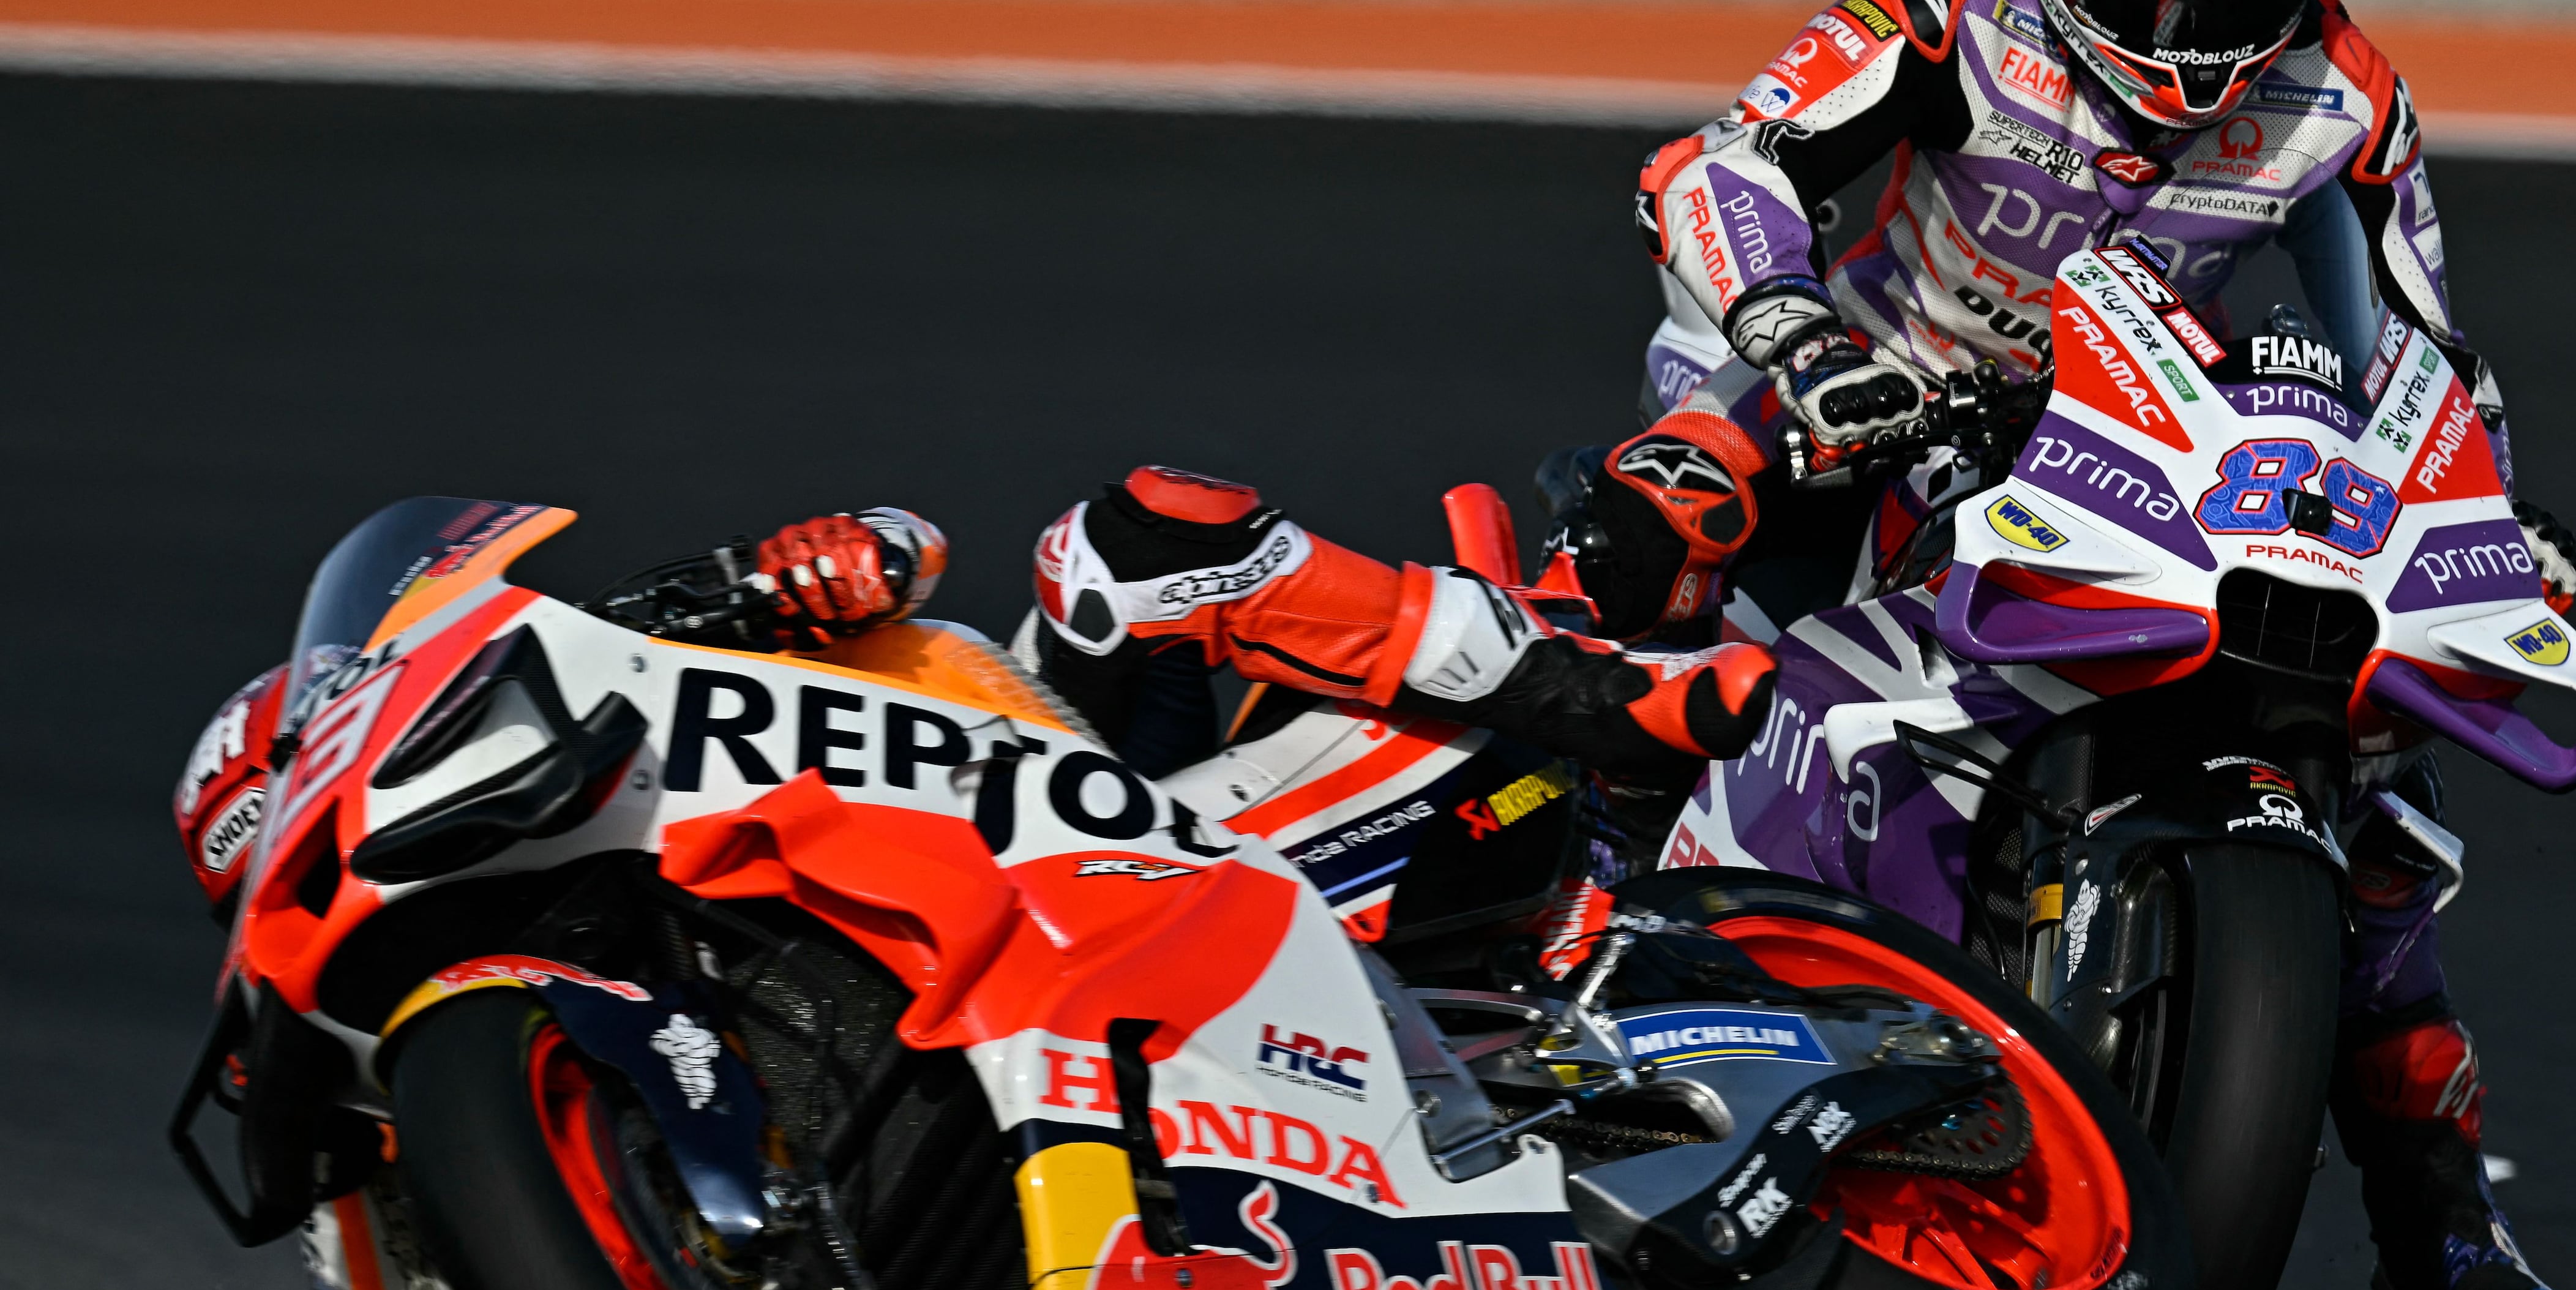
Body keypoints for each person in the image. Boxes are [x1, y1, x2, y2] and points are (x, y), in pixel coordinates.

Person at [1556, 0, 2576, 1290]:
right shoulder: (1943, 7)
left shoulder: (2341, 93)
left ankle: (2433, 1204)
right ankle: (1558, 929)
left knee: (2370, 755)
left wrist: (2485, 508)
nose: (2191, 30)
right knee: (1657, 531)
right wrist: (1797, 338)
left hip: (2142, 438)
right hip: (1869, 392)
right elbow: (1716, 165)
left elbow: (2428, 354)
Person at [601, 486, 1777, 788]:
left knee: (1129, 540)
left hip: (1020, 801)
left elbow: (899, 544)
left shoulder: (604, 674)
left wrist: (795, 569)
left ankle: (1591, 694)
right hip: (930, 970)